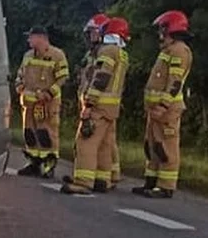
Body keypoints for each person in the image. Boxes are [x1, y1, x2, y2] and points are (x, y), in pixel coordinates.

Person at [62, 17, 130, 194]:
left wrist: (89, 103)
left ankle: (83, 182)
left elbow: (101, 78)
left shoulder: (107, 51)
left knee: (86, 142)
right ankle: (102, 178)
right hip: (110, 108)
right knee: (104, 145)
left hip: (99, 105)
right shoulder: (121, 53)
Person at [134, 10, 193, 198]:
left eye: (163, 29)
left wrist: (164, 105)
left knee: (167, 147)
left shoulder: (179, 51)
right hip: (155, 110)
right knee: (152, 146)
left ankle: (166, 186)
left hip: (167, 110)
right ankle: (151, 181)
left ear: (172, 29)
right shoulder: (167, 51)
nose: (160, 34)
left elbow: (175, 82)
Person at [15, 26, 70, 178]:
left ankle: (49, 163)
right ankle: (33, 162)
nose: (28, 40)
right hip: (29, 104)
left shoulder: (57, 55)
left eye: (31, 37)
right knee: (29, 133)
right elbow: (20, 73)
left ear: (41, 38)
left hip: (47, 103)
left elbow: (62, 78)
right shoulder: (28, 55)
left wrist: (48, 93)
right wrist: (19, 85)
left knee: (46, 133)